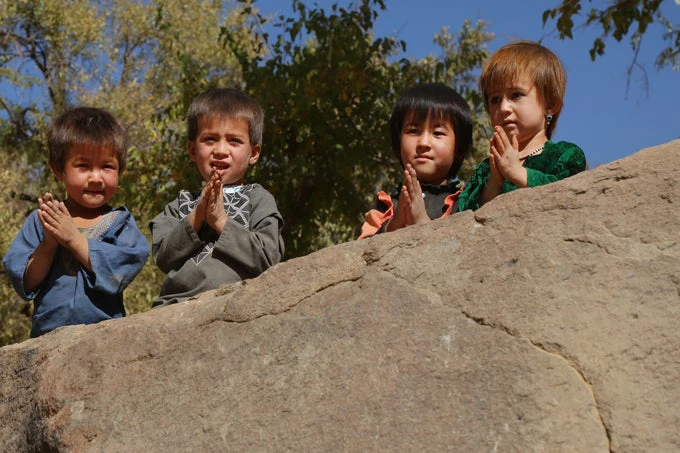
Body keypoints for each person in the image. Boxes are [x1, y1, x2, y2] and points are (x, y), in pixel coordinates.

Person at [3, 107, 150, 338]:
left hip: (105, 334)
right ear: (59, 170)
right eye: (83, 166)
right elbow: (26, 284)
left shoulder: (120, 222)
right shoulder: (42, 219)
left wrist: (74, 239)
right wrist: (49, 244)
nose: (95, 177)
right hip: (47, 337)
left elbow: (122, 270)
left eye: (107, 166)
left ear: (120, 170)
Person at [149, 88, 284, 307]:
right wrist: (197, 217)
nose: (221, 150)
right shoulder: (180, 204)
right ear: (193, 150)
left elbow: (269, 259)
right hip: (176, 304)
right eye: (210, 139)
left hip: (240, 302)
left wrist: (221, 221)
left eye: (234, 141)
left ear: (254, 153)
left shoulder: (257, 198)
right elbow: (163, 257)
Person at [458, 40, 587, 211]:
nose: (503, 108)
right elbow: (464, 214)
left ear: (551, 104)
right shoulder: (485, 170)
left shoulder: (565, 156)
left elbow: (566, 197)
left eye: (516, 95)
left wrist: (518, 173)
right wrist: (494, 183)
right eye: (495, 99)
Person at [359, 83, 473, 238]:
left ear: (459, 148)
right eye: (413, 131)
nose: (423, 143)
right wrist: (393, 225)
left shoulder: (466, 202)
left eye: (438, 132)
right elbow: (361, 253)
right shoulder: (385, 205)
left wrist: (422, 222)